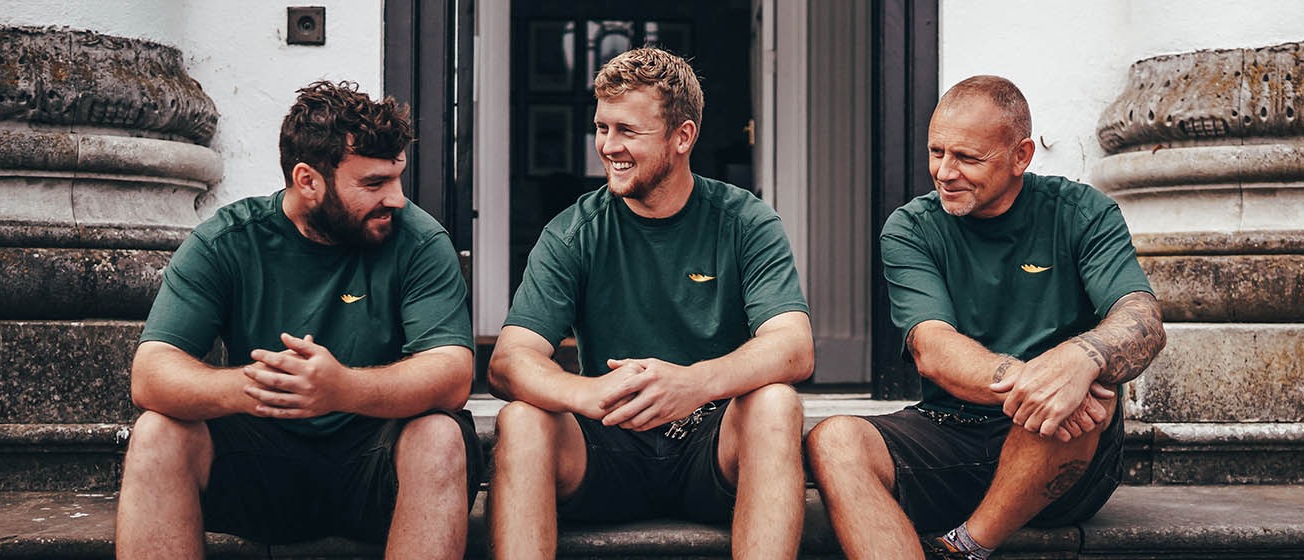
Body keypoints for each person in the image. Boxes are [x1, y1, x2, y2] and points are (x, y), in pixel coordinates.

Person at [805, 75, 1167, 560]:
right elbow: (932, 349)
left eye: (968, 158)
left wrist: (1083, 359)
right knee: (834, 438)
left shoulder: (1082, 212)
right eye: (937, 152)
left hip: (1058, 452)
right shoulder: (911, 227)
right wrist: (1035, 379)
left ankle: (963, 549)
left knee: (1079, 399)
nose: (945, 172)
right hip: (950, 431)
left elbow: (1141, 318)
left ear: (1021, 156)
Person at [115, 81, 480, 559]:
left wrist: (341, 388)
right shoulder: (227, 242)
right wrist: (265, 387)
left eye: (396, 178)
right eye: (373, 184)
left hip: (378, 471)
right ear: (307, 180)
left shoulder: (420, 240)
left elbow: (451, 374)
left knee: (440, 434)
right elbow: (151, 374)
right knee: (157, 433)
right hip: (263, 466)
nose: (395, 198)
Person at [487, 47, 813, 559]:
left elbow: (793, 347)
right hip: (607, 443)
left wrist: (693, 383)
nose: (607, 146)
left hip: (710, 444)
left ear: (682, 136)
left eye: (627, 131)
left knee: (776, 403)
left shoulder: (744, 221)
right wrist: (585, 393)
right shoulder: (575, 231)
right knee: (522, 420)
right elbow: (509, 362)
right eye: (602, 127)